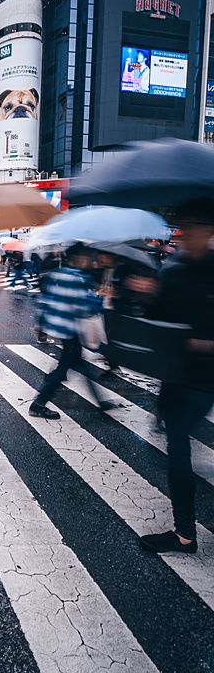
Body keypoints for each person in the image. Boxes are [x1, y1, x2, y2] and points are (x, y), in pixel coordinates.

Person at [139, 198, 214, 555]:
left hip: (204, 377)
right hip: (174, 373)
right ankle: (184, 530)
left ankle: (185, 533)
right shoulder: (174, 268)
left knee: (180, 443)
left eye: (197, 228)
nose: (190, 236)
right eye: (186, 229)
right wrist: (147, 295)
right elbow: (156, 315)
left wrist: (199, 342)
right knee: (177, 447)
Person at [29, 244, 116, 419]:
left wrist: (43, 323)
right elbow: (88, 307)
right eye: (86, 257)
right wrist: (102, 296)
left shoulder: (57, 273)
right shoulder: (79, 279)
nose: (88, 260)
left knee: (79, 364)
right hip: (71, 329)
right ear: (78, 258)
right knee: (63, 369)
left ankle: (100, 401)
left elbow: (46, 300)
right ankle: (38, 404)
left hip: (60, 327)